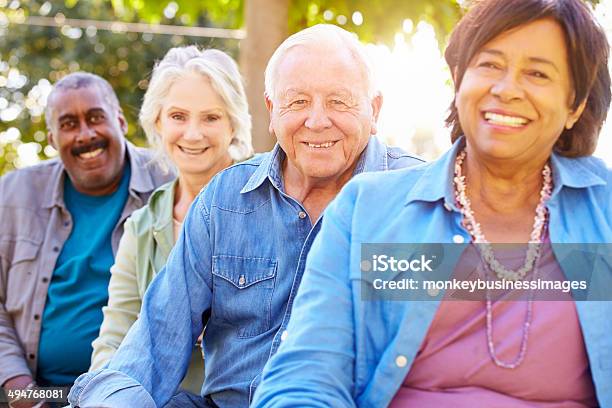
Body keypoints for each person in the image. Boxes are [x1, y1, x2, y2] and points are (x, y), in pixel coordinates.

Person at [252, 0, 612, 407]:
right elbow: (304, 380)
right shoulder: (367, 211)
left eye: (537, 73)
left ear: (575, 105)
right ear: (458, 79)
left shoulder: (605, 215)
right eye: (490, 65)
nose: (507, 89)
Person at [67, 24, 423, 407]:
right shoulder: (223, 200)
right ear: (271, 110)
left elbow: (454, 355)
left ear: (375, 109)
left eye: (339, 101)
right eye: (297, 102)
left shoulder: (418, 201)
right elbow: (152, 345)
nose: (317, 120)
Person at [89, 46, 253, 401]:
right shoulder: (142, 226)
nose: (193, 134)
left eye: (211, 118)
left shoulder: (267, 204)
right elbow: (115, 336)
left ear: (233, 124)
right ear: (158, 122)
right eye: (178, 116)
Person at [0, 72, 172, 407]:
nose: (86, 134)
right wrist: (24, 394)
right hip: (36, 391)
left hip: (135, 390)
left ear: (120, 121)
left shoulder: (169, 183)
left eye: (96, 118)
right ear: (52, 138)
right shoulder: (12, 195)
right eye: (69, 124)